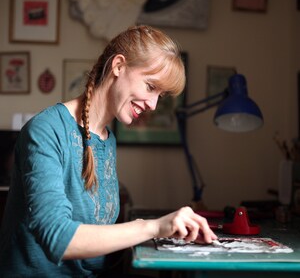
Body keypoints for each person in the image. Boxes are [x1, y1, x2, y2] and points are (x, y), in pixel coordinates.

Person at [0, 25, 217, 277]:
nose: (154, 104)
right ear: (118, 66)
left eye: (161, 95)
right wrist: (153, 227)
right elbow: (58, 237)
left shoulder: (106, 140)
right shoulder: (46, 130)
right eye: (150, 86)